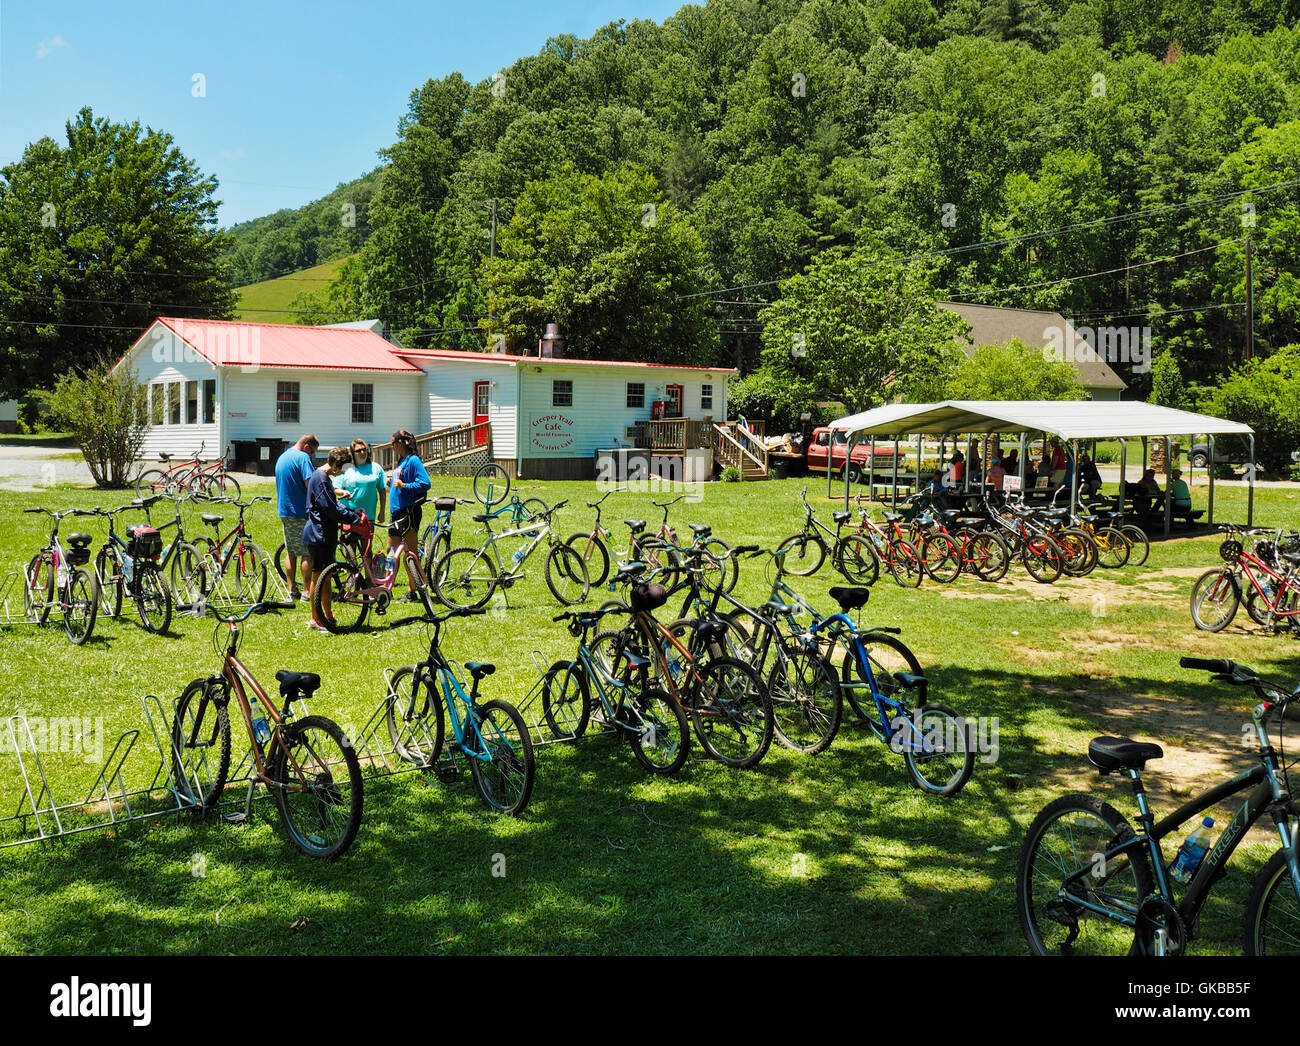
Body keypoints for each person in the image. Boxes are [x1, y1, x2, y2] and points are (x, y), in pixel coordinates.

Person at [303, 446, 363, 632]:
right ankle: (315, 618)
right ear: (336, 463)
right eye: (342, 467)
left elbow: (331, 505)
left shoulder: (321, 477)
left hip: (324, 533)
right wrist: (354, 517)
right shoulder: (321, 478)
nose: (342, 472)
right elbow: (330, 508)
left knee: (326, 576)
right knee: (318, 577)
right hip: (318, 533)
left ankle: (327, 613)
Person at [386, 429, 431, 598]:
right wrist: (392, 482)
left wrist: (404, 485)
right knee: (391, 551)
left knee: (410, 553)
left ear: (400, 443)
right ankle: (387, 587)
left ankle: (414, 589)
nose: (392, 446)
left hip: (408, 512)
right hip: (396, 513)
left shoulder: (413, 461)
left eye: (392, 443)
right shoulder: (401, 462)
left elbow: (425, 483)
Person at [274, 434, 319, 602]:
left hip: (284, 511)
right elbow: (310, 484)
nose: (311, 456)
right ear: (307, 447)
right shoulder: (302, 458)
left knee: (291, 552)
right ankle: (307, 591)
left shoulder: (282, 457)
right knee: (307, 553)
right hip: (300, 512)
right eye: (312, 452)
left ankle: (291, 589)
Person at [339, 438, 386, 527]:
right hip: (350, 514)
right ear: (352, 453)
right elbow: (337, 489)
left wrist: (382, 511)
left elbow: (382, 491)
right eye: (358, 450)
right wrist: (343, 492)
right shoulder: (347, 467)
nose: (362, 452)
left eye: (364, 449)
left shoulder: (376, 468)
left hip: (369, 515)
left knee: (368, 541)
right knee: (350, 541)